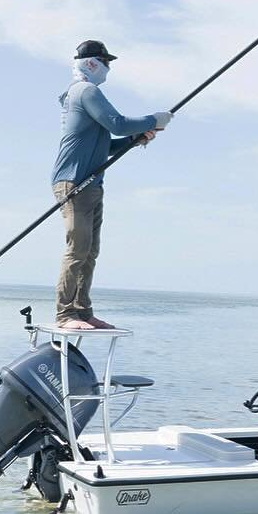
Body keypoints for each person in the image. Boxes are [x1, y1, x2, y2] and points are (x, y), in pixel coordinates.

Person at [51, 40, 172, 331]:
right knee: (77, 249)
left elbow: (107, 144)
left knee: (90, 251)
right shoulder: (85, 91)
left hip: (93, 183)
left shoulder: (83, 93)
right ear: (92, 62)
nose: (108, 68)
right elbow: (117, 123)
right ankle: (65, 314)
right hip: (74, 182)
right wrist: (153, 119)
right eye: (105, 61)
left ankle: (82, 311)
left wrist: (136, 138)